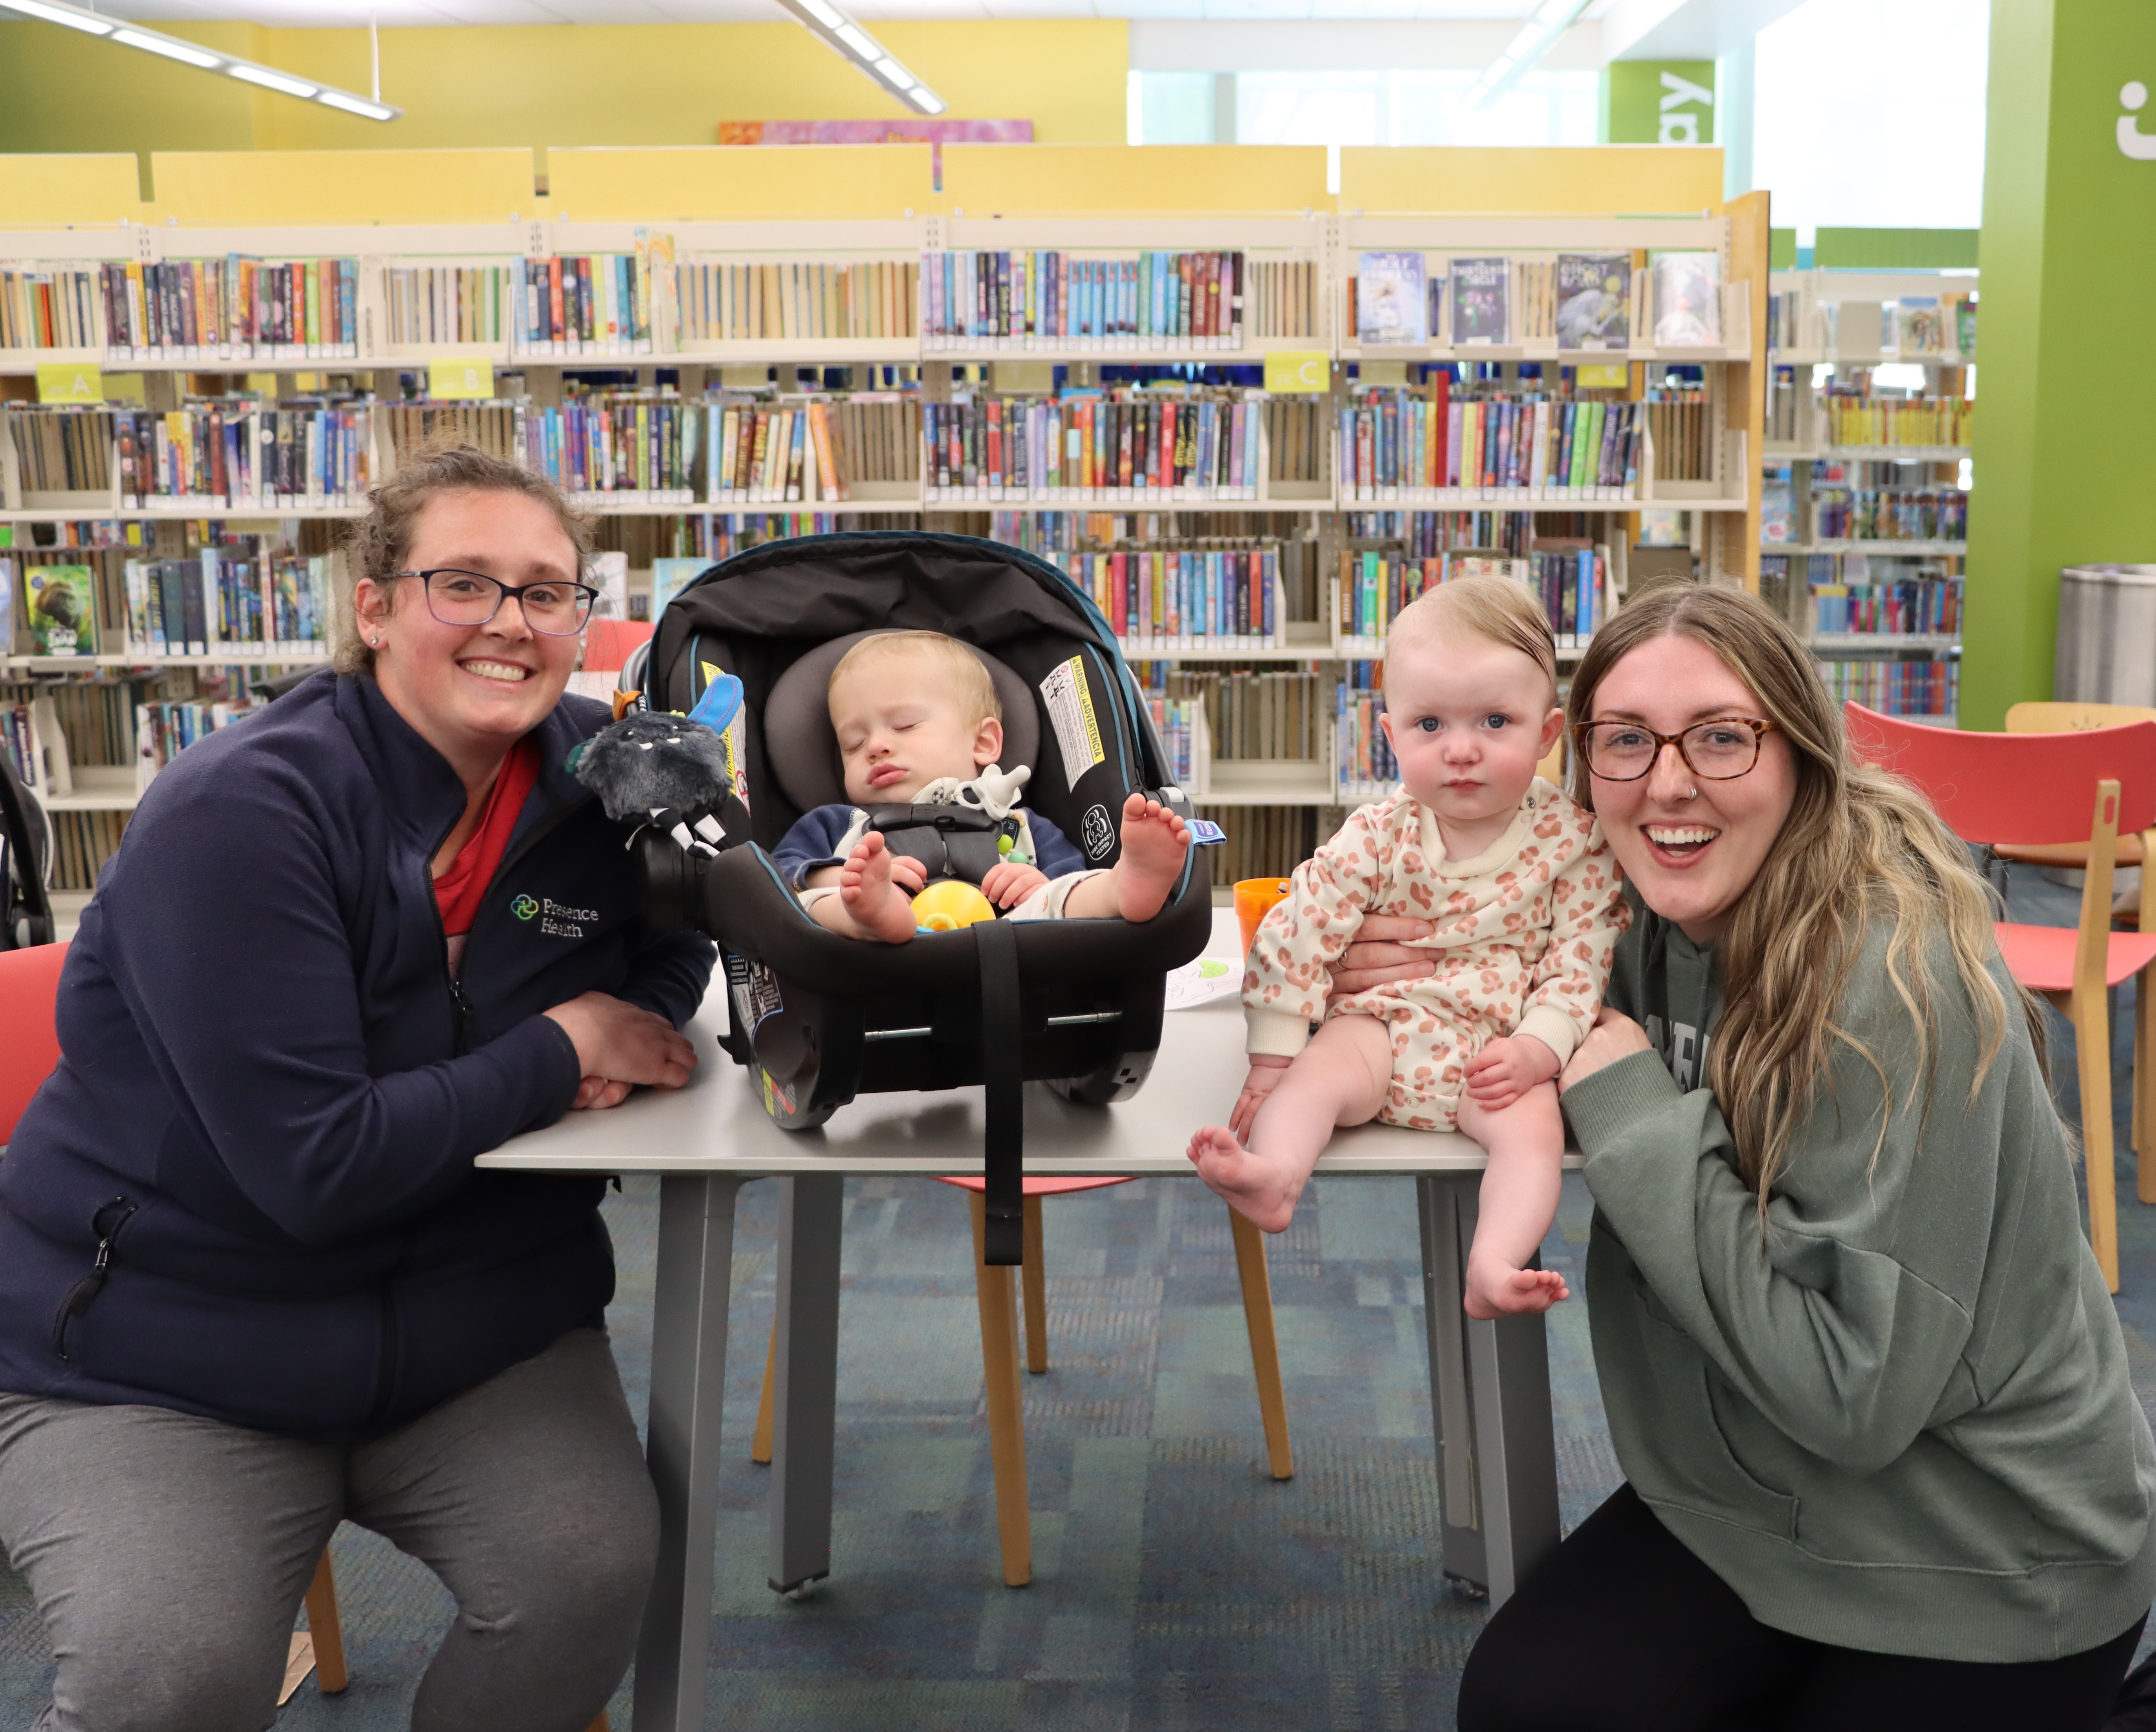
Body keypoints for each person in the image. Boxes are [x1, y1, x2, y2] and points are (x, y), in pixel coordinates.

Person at [1328, 582, 2156, 1730]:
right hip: (1744, 1492)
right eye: (1624, 741)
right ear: (1580, 769)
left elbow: (1855, 1396)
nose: (1667, 783)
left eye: (1720, 736)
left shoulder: (1895, 982)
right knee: (1523, 1703)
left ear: (1800, 757)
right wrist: (1385, 950)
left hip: (1986, 1543)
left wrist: (1622, 1098)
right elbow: (1485, 974)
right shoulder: (1613, 908)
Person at [0, 442, 714, 1732]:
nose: (511, 622)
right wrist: (565, 1047)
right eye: (466, 583)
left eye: (547, 590)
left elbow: (678, 935)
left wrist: (634, 1019)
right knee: (166, 1679)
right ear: (374, 604)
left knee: (591, 1576)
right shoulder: (244, 808)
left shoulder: (611, 777)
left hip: (482, 1321)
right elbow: (314, 1166)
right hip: (167, 1346)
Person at [1185, 576, 1628, 1319]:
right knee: (1312, 1081)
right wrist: (1271, 1056)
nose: (1460, 750)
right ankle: (1275, 1176)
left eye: (1494, 721)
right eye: (1429, 725)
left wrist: (1537, 1049)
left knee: (1532, 1138)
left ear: (1547, 735)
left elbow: (1580, 958)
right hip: (1379, 1030)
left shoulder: (1573, 842)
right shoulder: (1376, 835)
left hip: (1497, 1051)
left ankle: (1491, 1262)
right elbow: (1300, 931)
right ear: (1389, 734)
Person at [769, 628, 1191, 941]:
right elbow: (781, 871)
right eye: (853, 743)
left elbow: (1066, 873)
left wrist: (1037, 884)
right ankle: (872, 914)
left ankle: (1125, 885)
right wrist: (844, 879)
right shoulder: (839, 823)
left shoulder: (1018, 823)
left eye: (904, 726)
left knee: (1067, 896)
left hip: (1010, 934)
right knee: (809, 905)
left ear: (984, 743)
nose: (876, 746)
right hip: (871, 945)